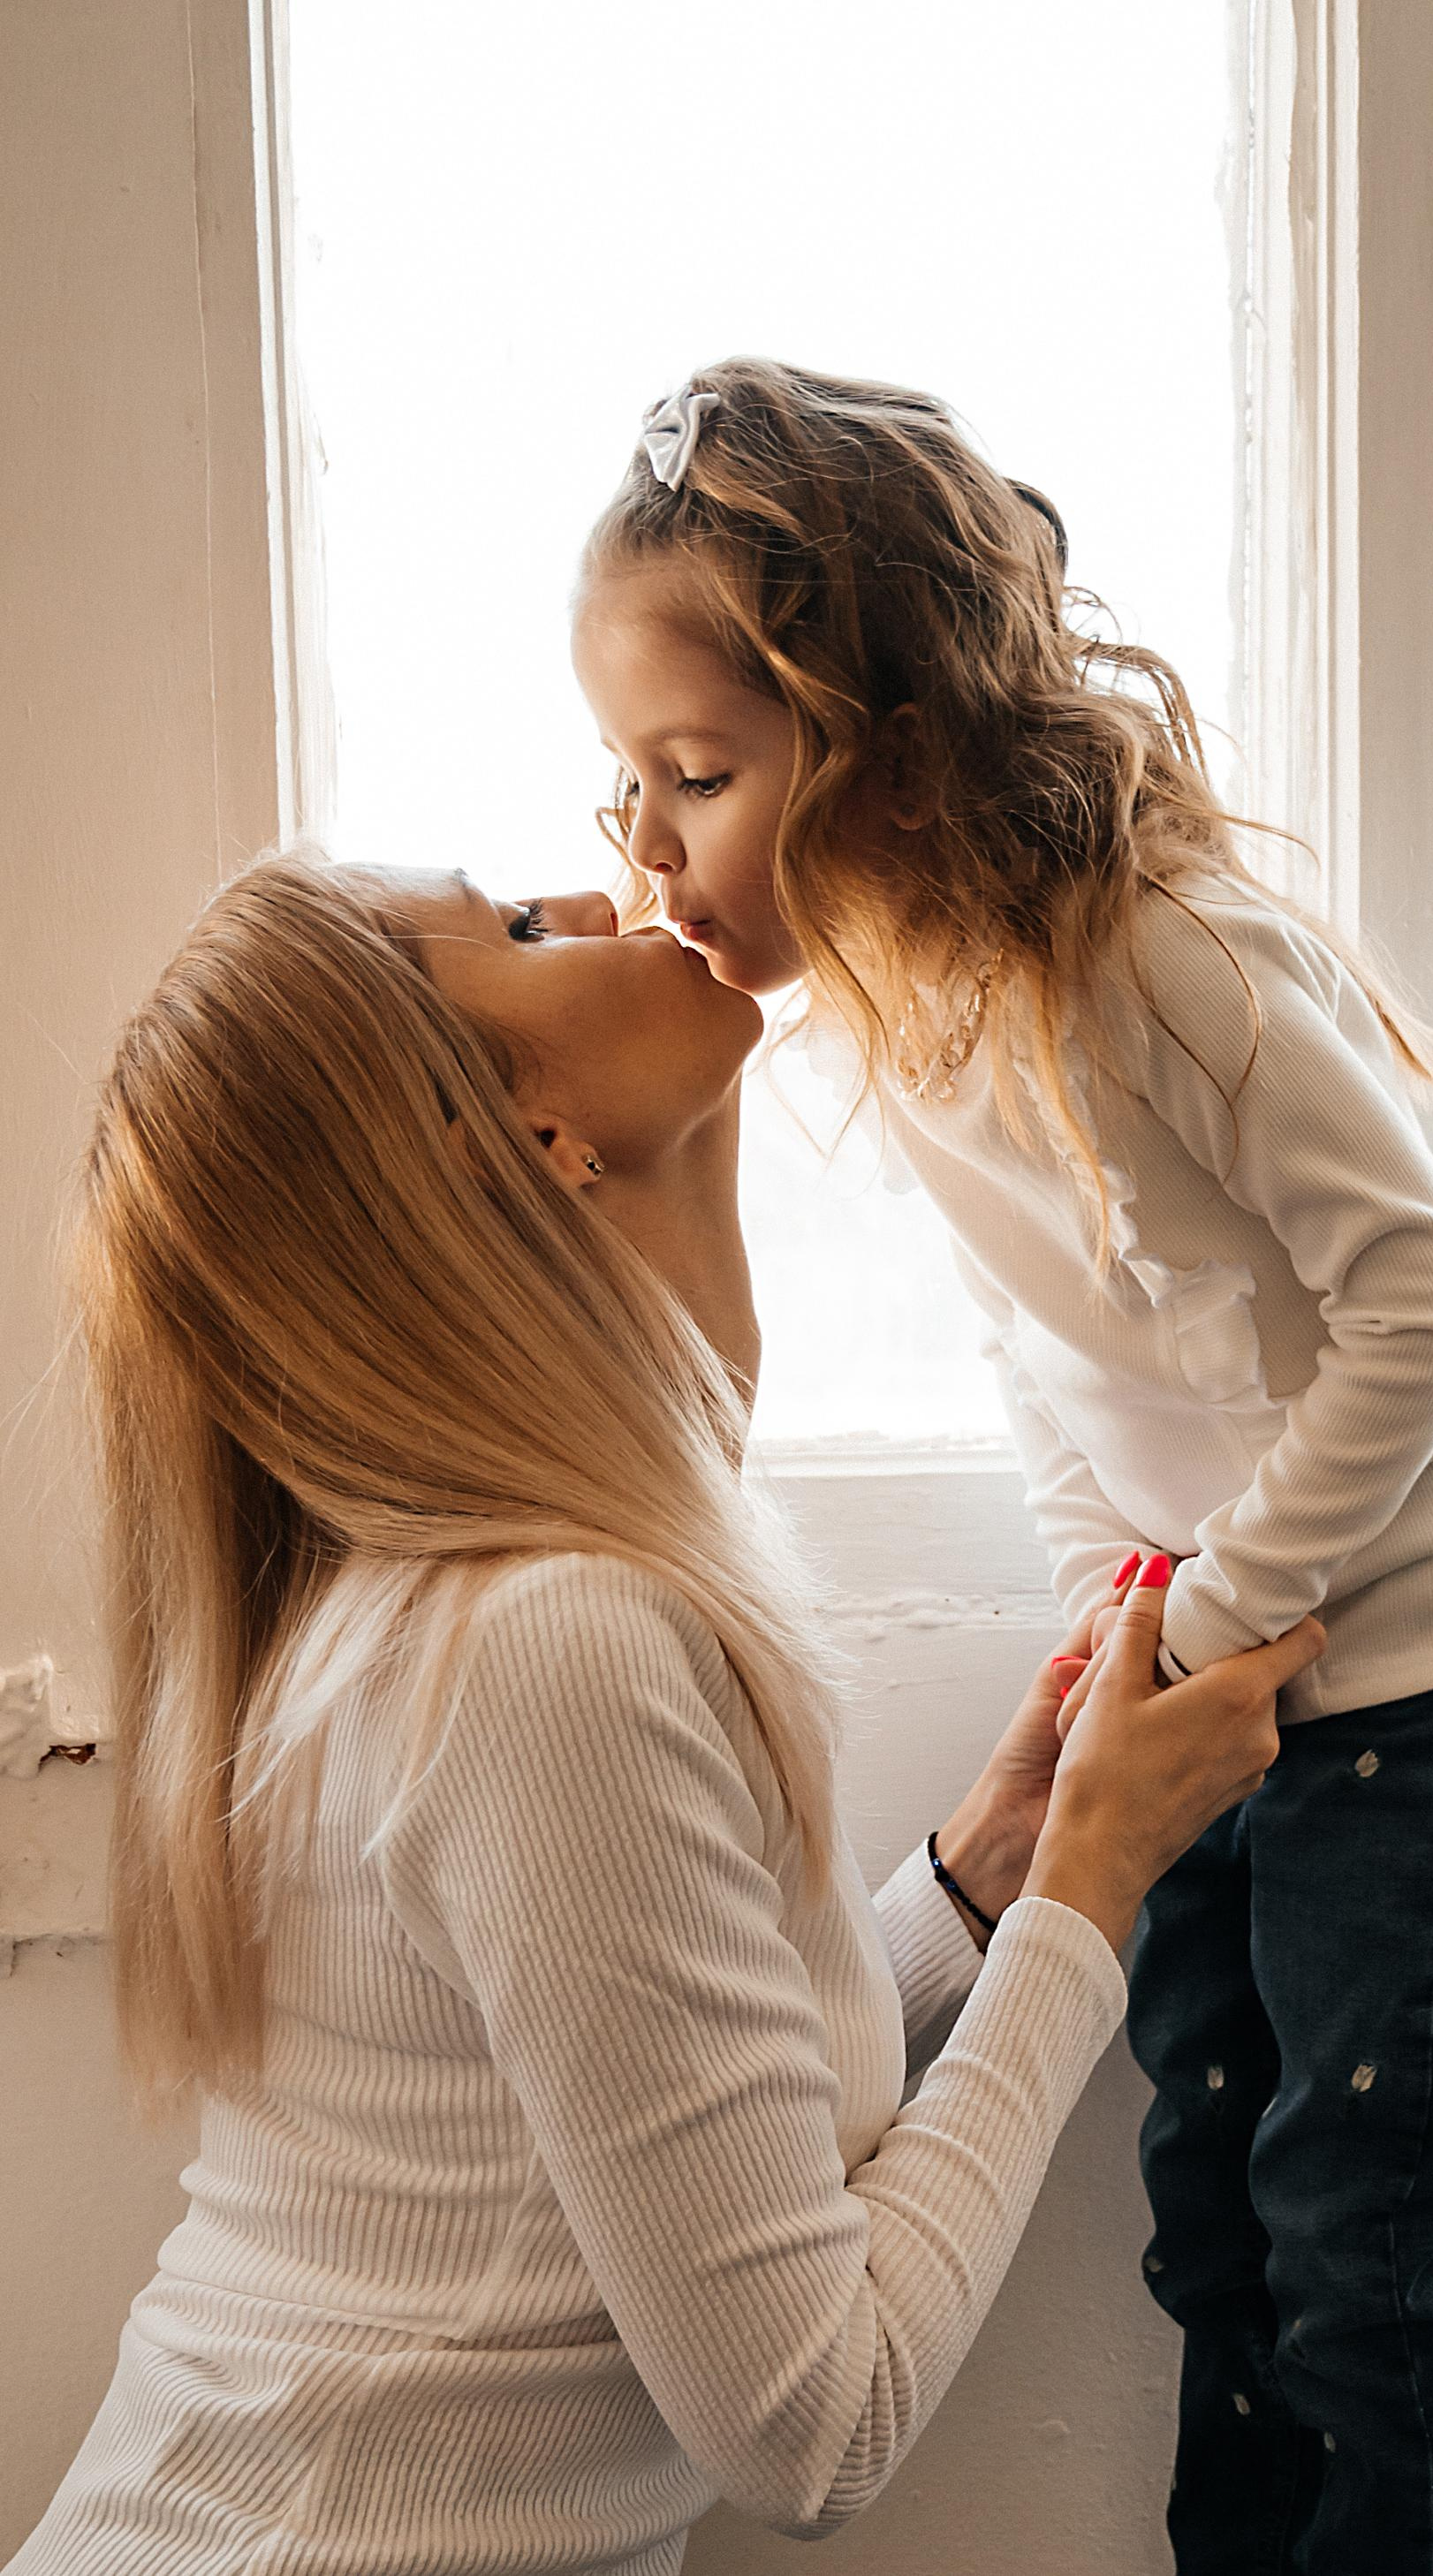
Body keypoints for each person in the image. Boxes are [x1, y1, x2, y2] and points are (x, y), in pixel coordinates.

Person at [570, 360, 1433, 2573]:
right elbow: (1033, 1342)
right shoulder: (912, 1013)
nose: (642, 845)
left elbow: (1426, 1305)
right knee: (1208, 2248)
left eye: (694, 775)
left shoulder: (1164, 960)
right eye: (622, 784)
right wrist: (1109, 1595)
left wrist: (1214, 1607)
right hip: (1213, 1691)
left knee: (1361, 2271)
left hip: (1421, 1689)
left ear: (888, 747)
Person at [10, 850, 1321, 2576]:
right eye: (524, 933)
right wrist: (1095, 1881)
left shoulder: (494, 1605)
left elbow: (619, 2121)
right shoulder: (548, 1642)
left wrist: (979, 1878)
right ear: (527, 1139)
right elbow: (809, 2423)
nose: (600, 881)